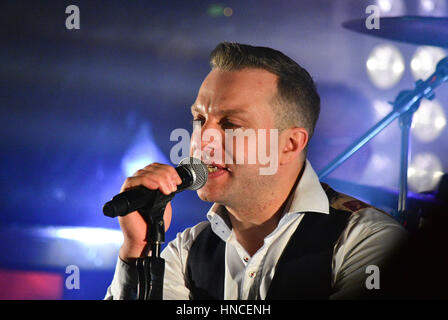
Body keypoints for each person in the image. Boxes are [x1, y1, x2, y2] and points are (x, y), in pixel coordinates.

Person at [105, 42, 407, 300]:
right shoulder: (187, 250)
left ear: (290, 143)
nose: (202, 139)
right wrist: (138, 249)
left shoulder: (368, 241)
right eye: (199, 119)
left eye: (230, 125)